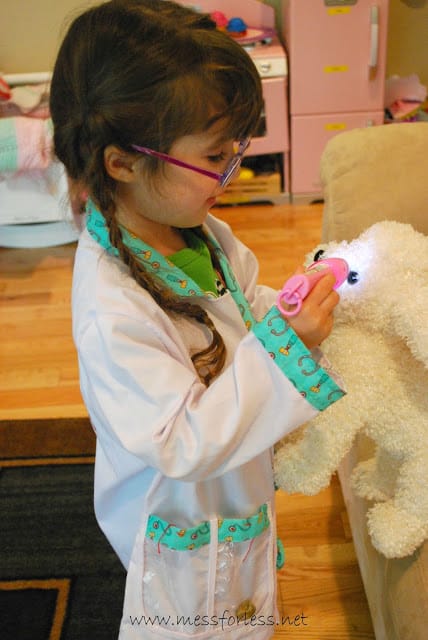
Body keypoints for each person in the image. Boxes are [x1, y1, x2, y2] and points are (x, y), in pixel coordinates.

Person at [49, 1, 344, 638]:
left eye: (238, 149)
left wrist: (288, 305)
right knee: (192, 620)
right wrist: (287, 350)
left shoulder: (198, 230)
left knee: (241, 601)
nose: (232, 172)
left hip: (231, 485)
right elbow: (183, 440)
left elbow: (241, 304)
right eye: (215, 157)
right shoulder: (113, 306)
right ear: (122, 163)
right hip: (179, 515)